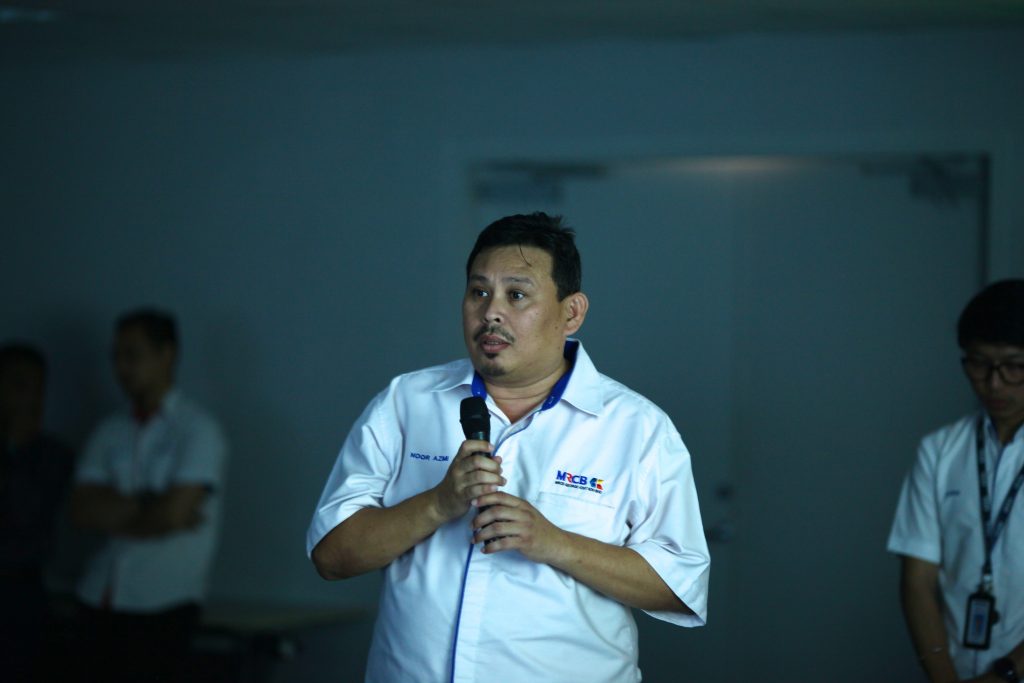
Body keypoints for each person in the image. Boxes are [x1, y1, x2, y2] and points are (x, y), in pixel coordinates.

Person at [307, 212, 710, 683]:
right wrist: (436, 504)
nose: (490, 313)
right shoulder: (405, 402)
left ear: (571, 313)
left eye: (516, 295)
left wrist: (555, 543)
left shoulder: (636, 428)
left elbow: (679, 587)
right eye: (479, 293)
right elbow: (331, 557)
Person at [70, 309, 228, 683]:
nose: (121, 368)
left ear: (166, 354)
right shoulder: (109, 430)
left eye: (132, 355)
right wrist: (149, 504)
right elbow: (80, 510)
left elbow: (172, 514)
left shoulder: (198, 430)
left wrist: (121, 509)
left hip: (162, 604)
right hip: (98, 596)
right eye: (116, 356)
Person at [889, 279, 1024, 682]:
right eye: (979, 364)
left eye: (1014, 366)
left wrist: (1004, 675)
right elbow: (917, 580)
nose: (994, 383)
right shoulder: (939, 450)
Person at [0, 343, 75, 682]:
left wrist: (15, 444)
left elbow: (28, 520)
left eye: (37, 389)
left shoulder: (53, 455)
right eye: (18, 386)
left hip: (20, 597)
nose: (30, 399)